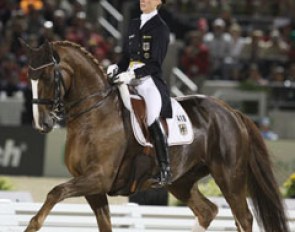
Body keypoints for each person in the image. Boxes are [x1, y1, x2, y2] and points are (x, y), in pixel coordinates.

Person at [107, 0, 172, 186]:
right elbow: (128, 56)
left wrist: (133, 74)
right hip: (128, 78)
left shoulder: (161, 28)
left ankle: (165, 168)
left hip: (148, 81)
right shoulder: (134, 23)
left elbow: (155, 64)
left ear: (159, 2)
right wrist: (116, 67)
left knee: (150, 117)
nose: (144, 0)